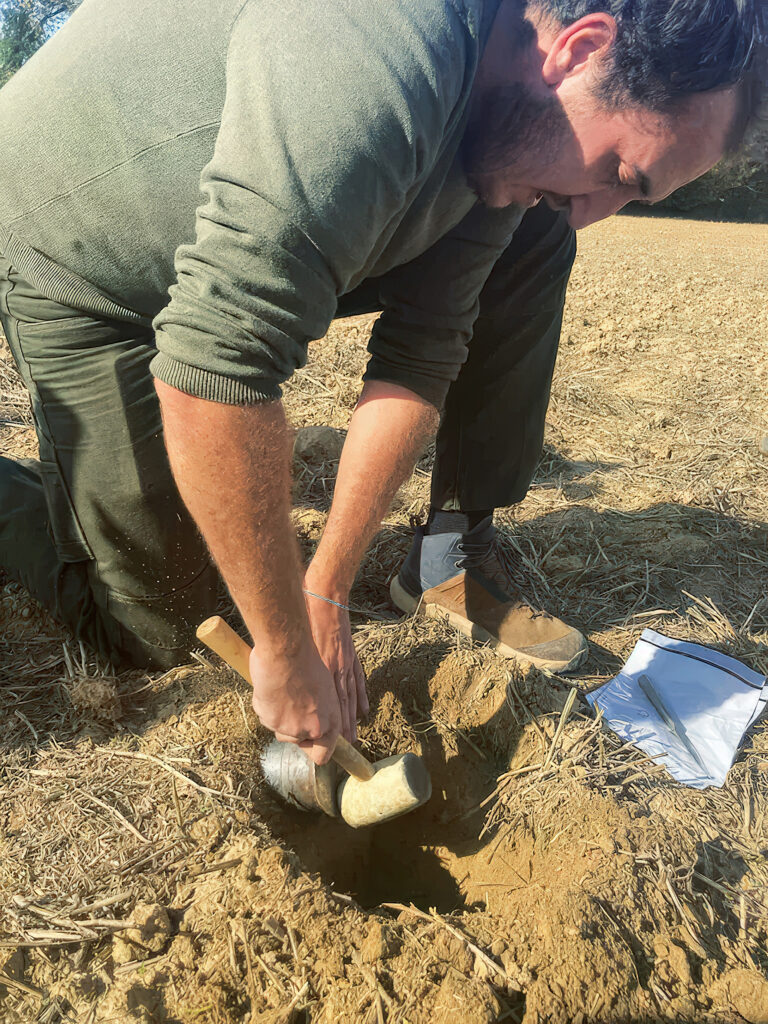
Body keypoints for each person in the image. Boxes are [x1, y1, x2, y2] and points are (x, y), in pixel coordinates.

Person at [0, 0, 761, 763]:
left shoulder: (504, 127)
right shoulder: (376, 56)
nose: (594, 214)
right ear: (580, 49)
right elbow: (215, 368)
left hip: (211, 263)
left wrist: (324, 587)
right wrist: (283, 646)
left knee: (535, 239)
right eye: (620, 173)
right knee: (157, 630)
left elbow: (421, 356)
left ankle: (449, 548)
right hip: (80, 267)